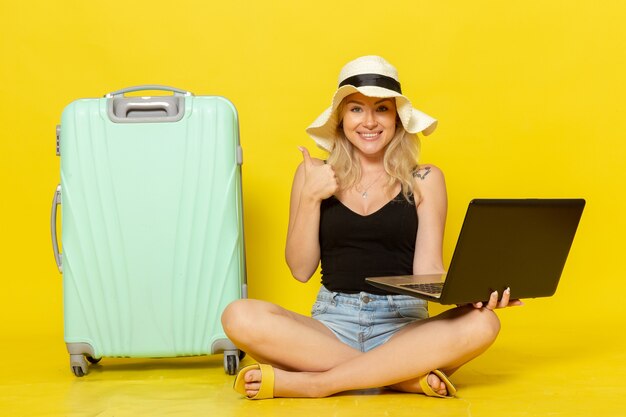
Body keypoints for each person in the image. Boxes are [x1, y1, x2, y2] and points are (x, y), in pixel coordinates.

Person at [221, 55, 522, 400]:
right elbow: (300, 269)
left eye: (381, 109)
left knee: (484, 324)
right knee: (239, 315)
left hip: (404, 325)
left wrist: (468, 297)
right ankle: (402, 379)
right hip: (331, 325)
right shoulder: (313, 174)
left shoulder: (425, 178)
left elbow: (429, 270)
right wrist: (310, 198)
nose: (369, 122)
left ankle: (318, 383)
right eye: (356, 109)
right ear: (341, 119)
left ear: (397, 119)